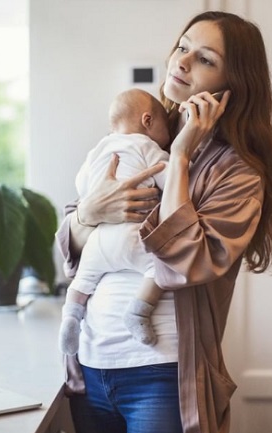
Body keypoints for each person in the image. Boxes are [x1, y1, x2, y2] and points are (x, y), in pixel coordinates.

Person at [55, 11, 272, 433]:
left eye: (205, 59)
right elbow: (71, 244)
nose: (181, 62)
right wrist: (90, 213)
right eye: (182, 47)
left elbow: (187, 262)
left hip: (160, 375)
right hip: (91, 366)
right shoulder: (143, 136)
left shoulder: (237, 173)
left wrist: (181, 156)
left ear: (232, 85)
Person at [59, 88, 171, 355]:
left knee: (82, 281)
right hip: (132, 237)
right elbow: (170, 180)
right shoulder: (147, 146)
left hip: (98, 242)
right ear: (148, 121)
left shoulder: (98, 150)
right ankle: (138, 312)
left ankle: (71, 318)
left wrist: (94, 203)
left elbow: (82, 184)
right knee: (161, 268)